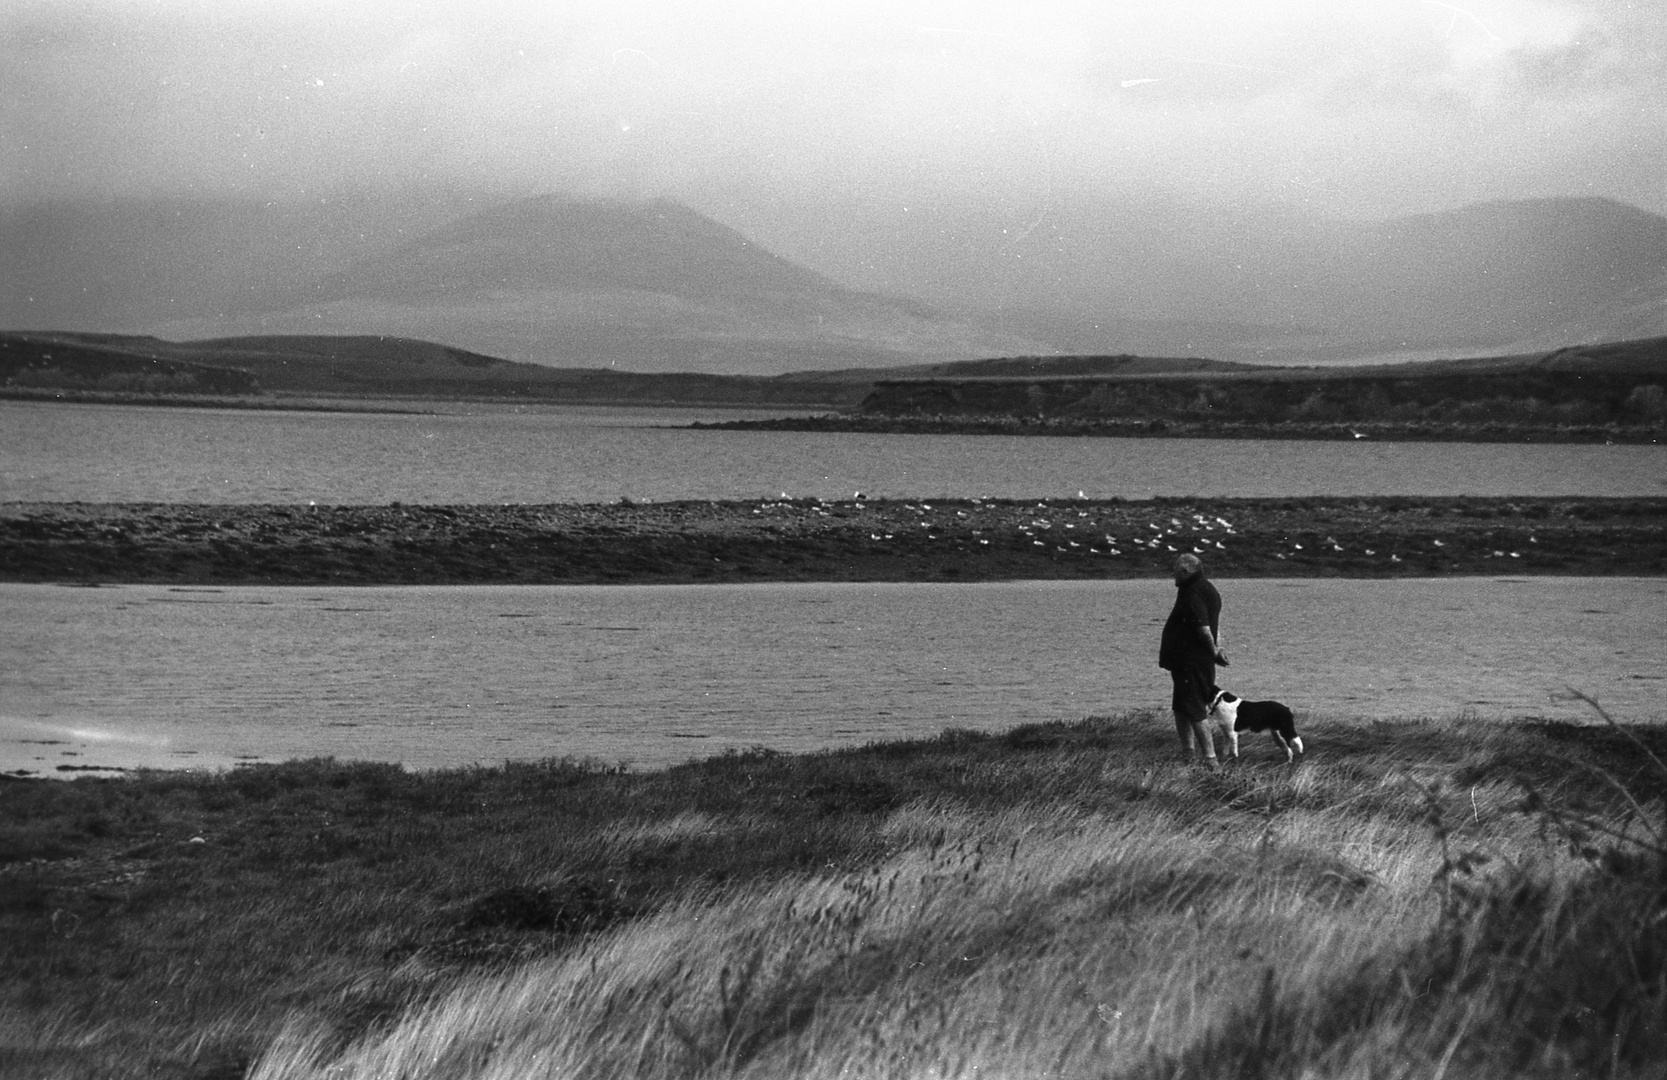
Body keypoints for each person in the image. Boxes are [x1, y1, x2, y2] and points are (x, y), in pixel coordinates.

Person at [1158, 553, 1229, 764]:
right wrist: (1216, 647)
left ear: (1185, 572)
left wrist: (1214, 651)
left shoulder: (1195, 592)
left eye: (1175, 572)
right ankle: (1187, 753)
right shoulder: (1203, 588)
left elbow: (1204, 628)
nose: (1173, 576)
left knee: (1195, 708)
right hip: (1184, 661)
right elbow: (1214, 625)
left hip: (1193, 661)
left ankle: (1210, 759)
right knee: (1181, 707)